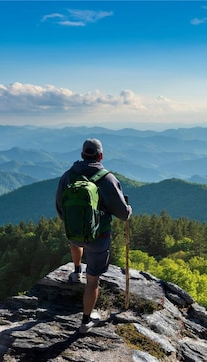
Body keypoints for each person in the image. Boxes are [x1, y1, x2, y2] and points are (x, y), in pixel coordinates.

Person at [55, 138, 132, 333]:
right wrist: (129, 209)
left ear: (82, 154)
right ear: (101, 156)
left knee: (76, 242)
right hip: (99, 238)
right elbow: (123, 214)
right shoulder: (107, 179)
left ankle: (76, 270)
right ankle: (85, 321)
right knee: (93, 281)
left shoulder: (68, 176)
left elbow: (59, 206)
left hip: (73, 234)